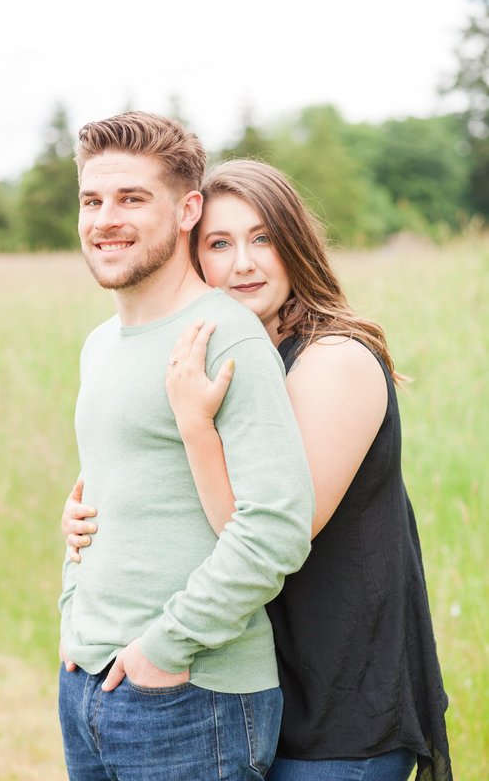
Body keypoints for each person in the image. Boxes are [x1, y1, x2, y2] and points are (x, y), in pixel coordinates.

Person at [64, 159, 452, 780]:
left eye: (263, 238)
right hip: (257, 679)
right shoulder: (237, 357)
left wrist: (194, 427)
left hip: (339, 705)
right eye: (220, 243)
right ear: (194, 255)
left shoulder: (334, 361)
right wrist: (90, 515)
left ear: (296, 245)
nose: (243, 263)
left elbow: (265, 528)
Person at [56, 113, 314, 780]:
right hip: (87, 676)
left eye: (131, 198)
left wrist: (162, 652)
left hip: (191, 695)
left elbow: (275, 529)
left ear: (186, 209)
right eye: (92, 200)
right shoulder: (99, 344)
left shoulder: (224, 337)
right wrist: (72, 620)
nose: (104, 218)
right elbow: (95, 497)